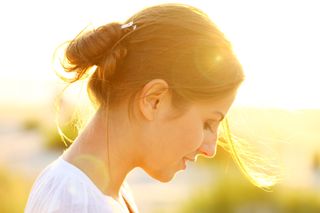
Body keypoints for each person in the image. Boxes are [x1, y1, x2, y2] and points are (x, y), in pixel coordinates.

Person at [25, 3, 246, 213]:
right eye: (208, 123)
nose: (210, 149)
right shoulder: (76, 203)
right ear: (154, 100)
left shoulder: (107, 191)